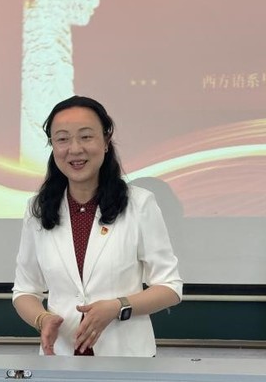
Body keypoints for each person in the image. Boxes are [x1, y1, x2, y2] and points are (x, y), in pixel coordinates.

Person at [12, 95, 183, 357]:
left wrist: (118, 307)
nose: (75, 149)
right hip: (60, 358)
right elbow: (25, 291)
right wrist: (42, 319)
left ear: (105, 141)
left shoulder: (139, 204)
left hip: (127, 360)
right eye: (62, 139)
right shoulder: (38, 209)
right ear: (53, 146)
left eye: (86, 137)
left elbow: (170, 287)